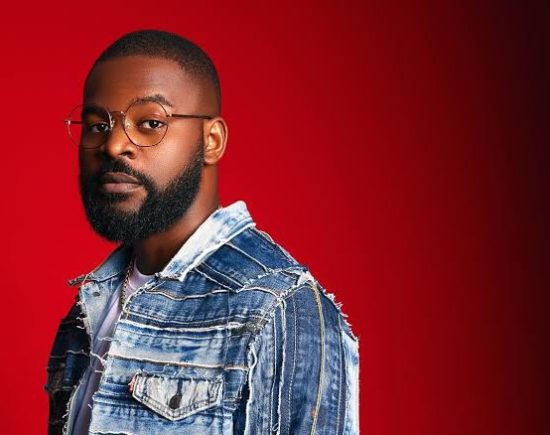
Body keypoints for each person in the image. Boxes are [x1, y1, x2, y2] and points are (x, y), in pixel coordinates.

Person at [45, 29, 359, 435]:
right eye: (96, 125)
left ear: (211, 141)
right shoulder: (89, 307)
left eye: (151, 123)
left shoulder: (276, 307)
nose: (114, 145)